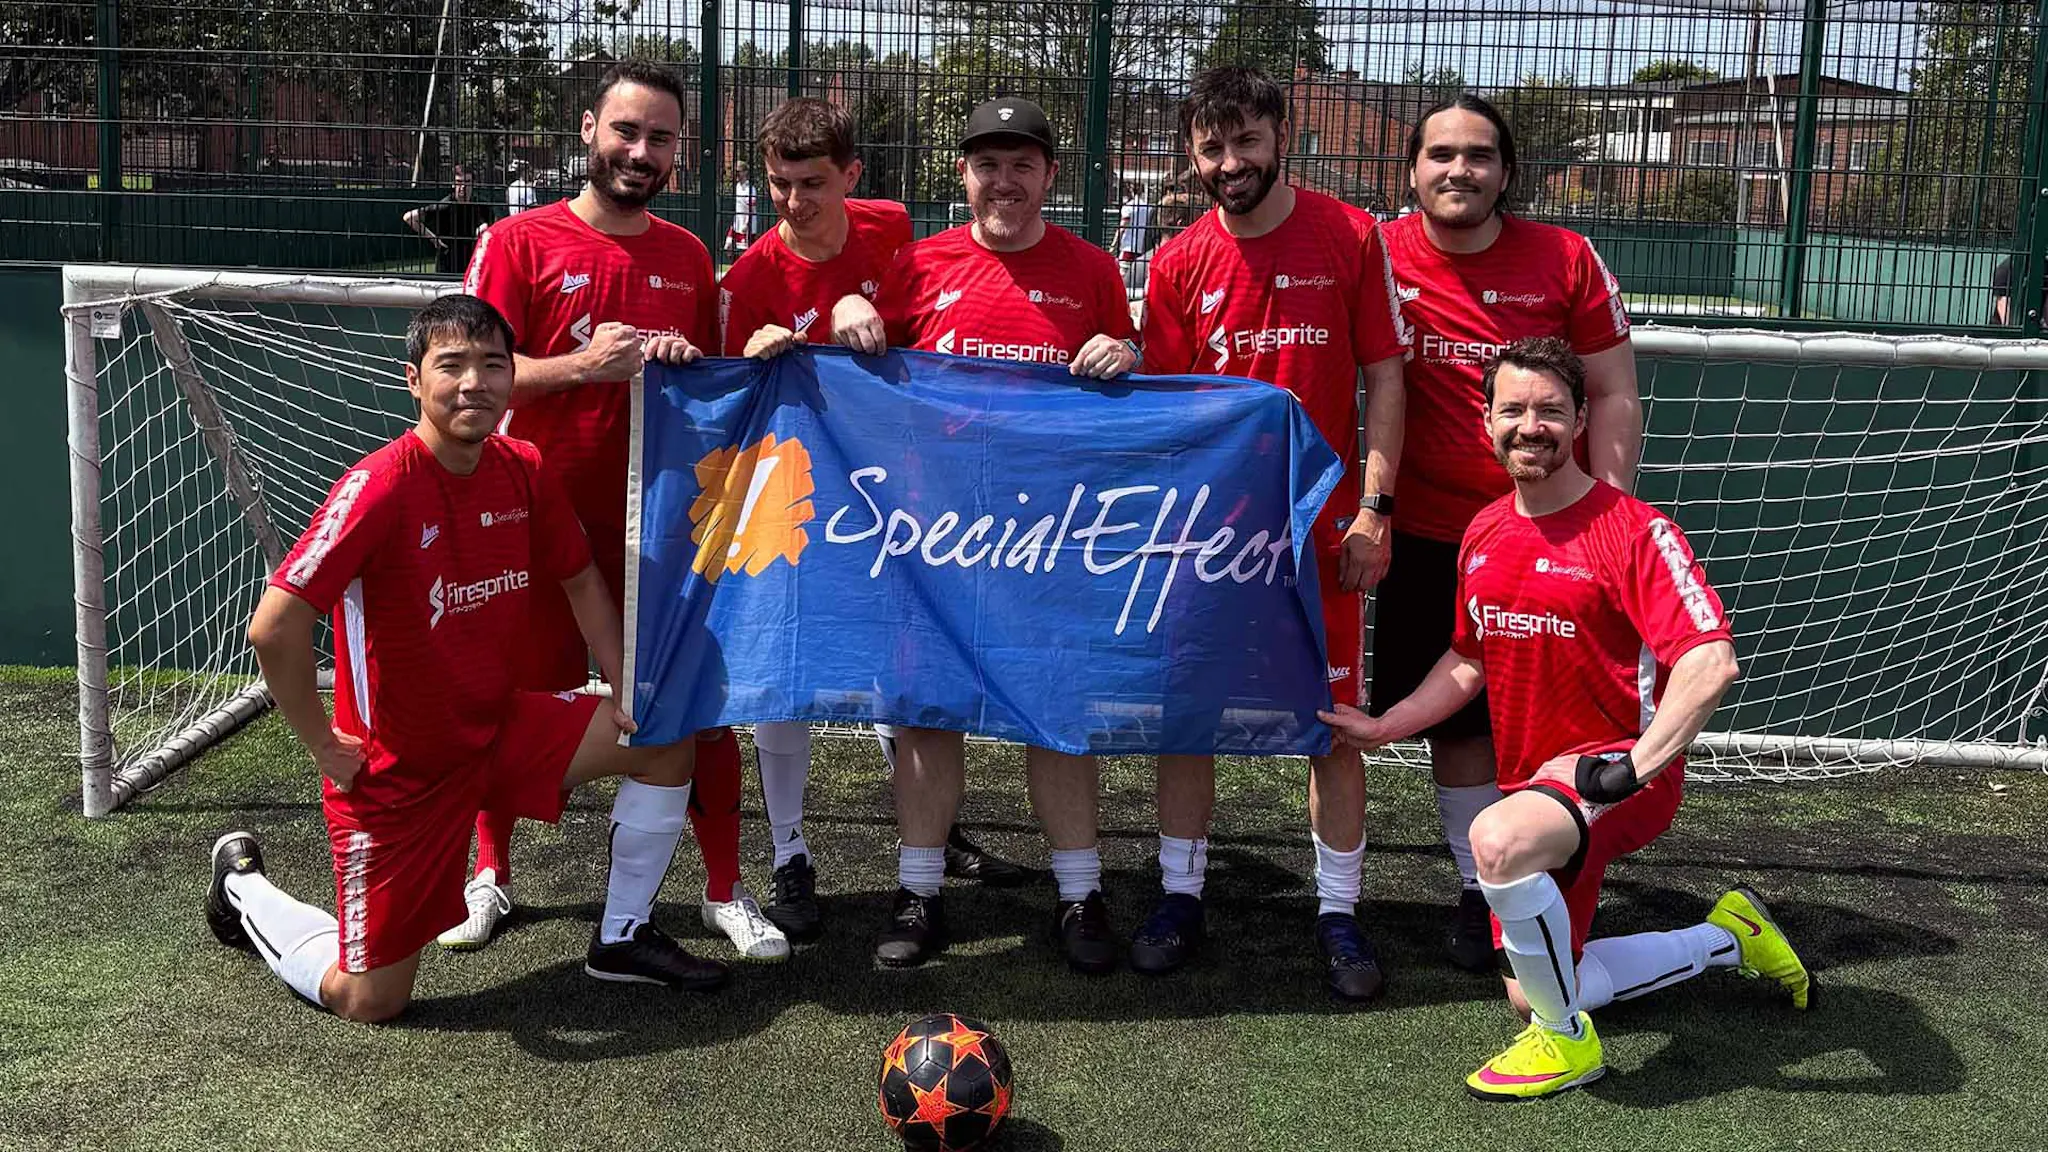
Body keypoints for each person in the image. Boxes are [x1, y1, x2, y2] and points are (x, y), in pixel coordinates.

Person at [205, 295, 730, 1023]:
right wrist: (323, 743)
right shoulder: (378, 486)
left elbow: (581, 578)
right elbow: (274, 628)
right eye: (451, 366)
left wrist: (621, 685)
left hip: (497, 730)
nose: (474, 383)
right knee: (370, 1000)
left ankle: (622, 939)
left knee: (663, 740)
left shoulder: (522, 466)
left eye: (492, 365)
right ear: (414, 381)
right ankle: (242, 889)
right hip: (399, 774)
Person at [1320, 337, 1809, 1100]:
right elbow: (1468, 659)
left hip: (1623, 777)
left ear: (1581, 418)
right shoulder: (1483, 533)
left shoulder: (1635, 531)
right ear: (1486, 422)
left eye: (1550, 409)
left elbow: (1711, 663)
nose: (1530, 425)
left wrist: (1626, 770)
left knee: (1496, 840)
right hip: (1540, 788)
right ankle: (1726, 938)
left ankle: (1567, 1046)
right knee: (1543, 982)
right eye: (1512, 409)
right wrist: (1387, 725)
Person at [459, 61, 785, 962]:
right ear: (589, 132)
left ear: (680, 152)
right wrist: (578, 368)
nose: (641, 153)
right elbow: (472, 374)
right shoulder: (520, 242)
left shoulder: (687, 257)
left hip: (662, 534)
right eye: (626, 132)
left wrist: (688, 361)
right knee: (513, 700)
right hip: (530, 526)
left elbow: (713, 392)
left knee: (698, 708)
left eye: (661, 138)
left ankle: (724, 889)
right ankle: (490, 874)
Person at [719, 96, 1036, 941]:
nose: (795, 201)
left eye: (813, 182)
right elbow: (731, 402)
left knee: (912, 667)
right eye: (780, 184)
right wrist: (754, 354)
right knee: (783, 675)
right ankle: (790, 854)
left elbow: (927, 314)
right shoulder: (749, 278)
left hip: (900, 497)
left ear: (853, 177)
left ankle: (936, 831)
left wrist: (868, 317)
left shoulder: (895, 232)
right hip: (797, 502)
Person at [1136, 66, 1409, 1000]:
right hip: (1213, 538)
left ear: (1282, 136)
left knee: (1332, 722)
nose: (1228, 164)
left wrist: (1376, 508)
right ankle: (1179, 896)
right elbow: (1170, 412)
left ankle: (1338, 911)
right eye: (1211, 148)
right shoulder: (1175, 262)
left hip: (1325, 533)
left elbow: (1385, 378)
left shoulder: (1348, 234)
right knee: (1191, 713)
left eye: (1245, 141)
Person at [867, 96, 1140, 974]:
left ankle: (1080, 893)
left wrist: (1123, 355)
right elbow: (863, 371)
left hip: (1047, 540)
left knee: (1057, 716)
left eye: (1023, 164)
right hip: (933, 540)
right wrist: (843, 314)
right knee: (925, 716)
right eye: (988, 163)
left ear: (1050, 175)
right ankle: (919, 890)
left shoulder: (1093, 271)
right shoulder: (916, 266)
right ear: (964, 175)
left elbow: (1132, 370)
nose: (1005, 181)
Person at [1378, 93, 1643, 972]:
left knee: (1545, 726)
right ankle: (1476, 888)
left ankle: (1555, 875)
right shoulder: (1375, 254)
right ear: (1412, 168)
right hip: (1423, 535)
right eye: (1442, 154)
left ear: (1507, 172)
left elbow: (1611, 391)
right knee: (1455, 732)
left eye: (1480, 155)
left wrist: (1602, 521)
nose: (1460, 170)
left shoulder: (1565, 258)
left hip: (1545, 544)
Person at [402, 164, 495, 275]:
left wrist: (485, 229)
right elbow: (409, 217)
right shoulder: (445, 206)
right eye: (459, 182)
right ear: (453, 184)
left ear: (473, 183)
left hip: (474, 265)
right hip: (448, 266)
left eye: (467, 181)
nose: (463, 186)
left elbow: (494, 226)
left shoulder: (482, 206)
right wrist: (433, 239)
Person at [1115, 179, 1154, 292]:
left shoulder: (1128, 207)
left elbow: (1123, 227)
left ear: (1131, 191)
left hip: (1128, 247)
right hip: (1143, 248)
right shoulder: (1149, 208)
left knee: (1122, 277)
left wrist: (1114, 243)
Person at [727, 163, 757, 255]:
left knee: (744, 251)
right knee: (729, 246)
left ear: (745, 172)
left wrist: (747, 224)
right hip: (737, 223)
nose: (736, 174)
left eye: (738, 172)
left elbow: (752, 208)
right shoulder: (737, 186)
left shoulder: (750, 189)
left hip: (746, 225)